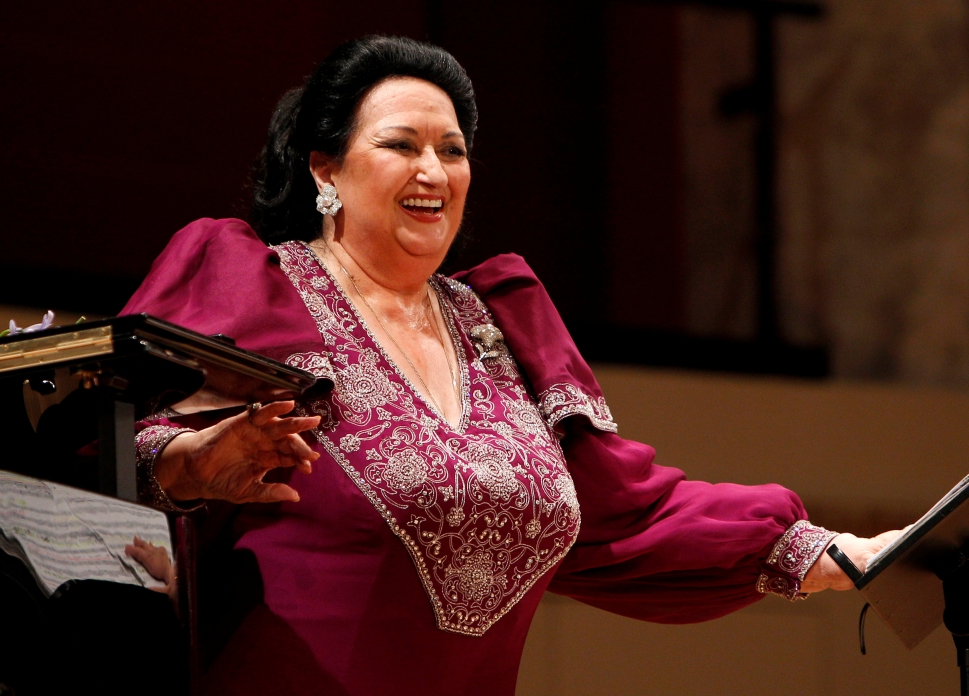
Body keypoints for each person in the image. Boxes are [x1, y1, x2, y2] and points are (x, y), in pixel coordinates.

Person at [121, 35, 897, 696]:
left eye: (452, 150)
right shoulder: (251, 286)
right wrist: (184, 464)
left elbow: (625, 514)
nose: (434, 171)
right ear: (325, 169)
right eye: (401, 145)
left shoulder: (501, 324)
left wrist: (821, 553)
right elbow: (99, 446)